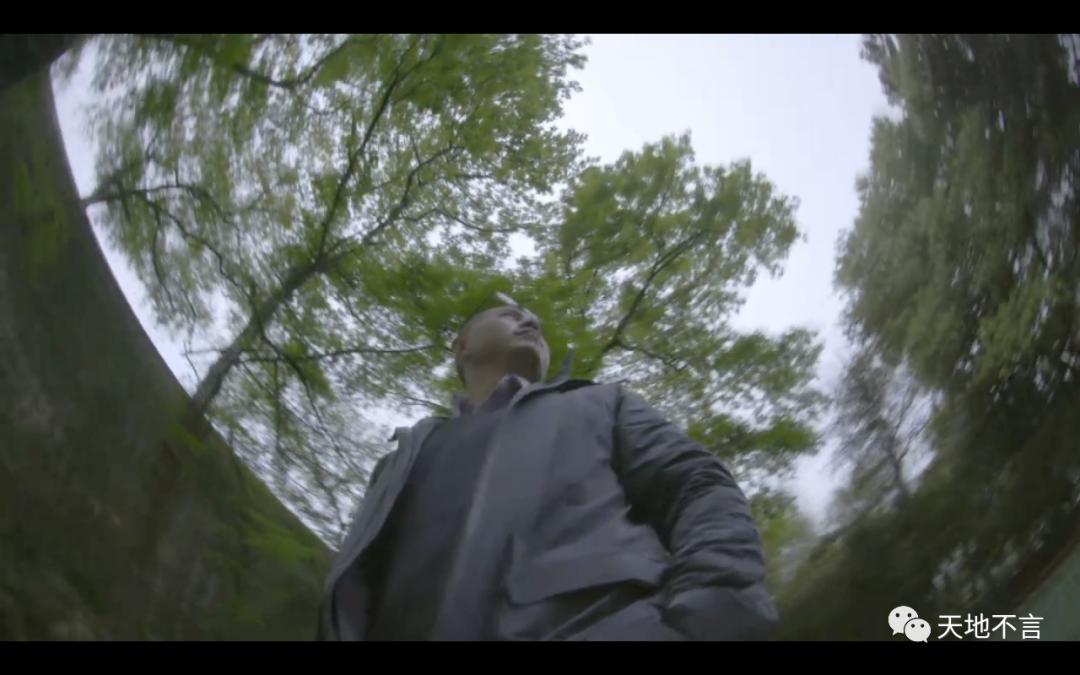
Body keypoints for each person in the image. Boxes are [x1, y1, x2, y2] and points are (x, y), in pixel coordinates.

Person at [318, 298, 778, 641]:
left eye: (534, 320)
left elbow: (698, 486)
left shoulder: (602, 404)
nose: (531, 322)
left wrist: (708, 613)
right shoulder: (400, 461)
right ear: (461, 346)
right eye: (509, 314)